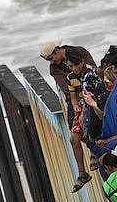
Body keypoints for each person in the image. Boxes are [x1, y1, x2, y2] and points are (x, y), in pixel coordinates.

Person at [40, 39, 96, 191]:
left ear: (57, 50)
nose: (52, 62)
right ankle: (83, 171)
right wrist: (75, 103)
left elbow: (93, 71)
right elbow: (66, 88)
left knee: (89, 124)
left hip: (91, 92)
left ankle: (94, 152)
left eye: (52, 58)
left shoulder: (80, 52)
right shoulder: (55, 69)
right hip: (74, 98)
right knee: (74, 134)